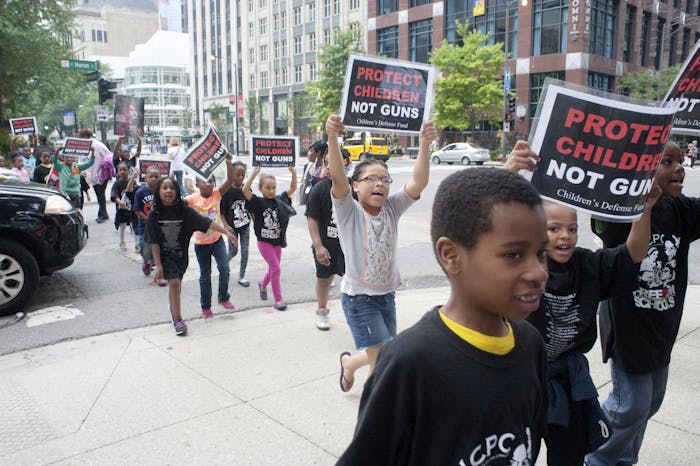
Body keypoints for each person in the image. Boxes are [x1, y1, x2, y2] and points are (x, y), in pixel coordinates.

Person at [336, 167, 549, 465]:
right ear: (451, 255)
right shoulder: (409, 363)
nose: (539, 271)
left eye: (541, 253)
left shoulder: (531, 344)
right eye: (514, 254)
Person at [505, 141, 661, 466]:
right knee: (514, 455)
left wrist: (644, 210)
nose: (565, 235)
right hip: (522, 380)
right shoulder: (519, 264)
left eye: (572, 228)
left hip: (569, 380)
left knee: (570, 456)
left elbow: (633, 253)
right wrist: (511, 172)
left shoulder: (589, 265)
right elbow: (485, 227)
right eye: (554, 228)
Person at [584, 142, 700, 466]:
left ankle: (624, 459)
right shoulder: (622, 212)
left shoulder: (682, 211)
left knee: (650, 404)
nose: (680, 167)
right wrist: (631, 194)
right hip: (627, 328)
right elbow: (601, 221)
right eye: (668, 161)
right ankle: (595, 457)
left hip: (662, 330)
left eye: (680, 161)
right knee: (630, 405)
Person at [325, 114, 437, 392]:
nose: (380, 184)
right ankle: (379, 416)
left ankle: (349, 365)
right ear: (356, 185)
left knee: (384, 349)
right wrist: (332, 137)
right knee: (386, 360)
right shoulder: (348, 211)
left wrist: (424, 144)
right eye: (371, 179)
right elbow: (337, 178)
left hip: (387, 297)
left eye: (385, 180)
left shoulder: (392, 207)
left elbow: (419, 183)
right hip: (359, 300)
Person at [148, 176, 238, 336]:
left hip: (181, 256)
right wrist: (158, 265)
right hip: (165, 257)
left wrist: (226, 233)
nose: (168, 191)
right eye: (164, 188)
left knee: (177, 285)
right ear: (158, 192)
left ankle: (173, 307)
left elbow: (206, 222)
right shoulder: (154, 214)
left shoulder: (184, 210)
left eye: (172, 188)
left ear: (177, 191)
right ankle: (178, 320)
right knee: (174, 283)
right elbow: (154, 242)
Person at [185, 155, 237, 318]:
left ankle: (223, 297)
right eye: (204, 182)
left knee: (224, 268)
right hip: (201, 244)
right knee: (205, 275)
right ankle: (205, 307)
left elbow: (229, 181)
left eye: (211, 181)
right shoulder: (191, 199)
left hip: (217, 240)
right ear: (197, 184)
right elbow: (177, 204)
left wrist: (228, 163)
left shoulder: (216, 194)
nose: (208, 184)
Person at [242, 164, 298, 311]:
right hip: (264, 242)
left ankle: (262, 284)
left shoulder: (280, 199)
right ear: (260, 188)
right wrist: (254, 174)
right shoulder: (257, 202)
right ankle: (278, 299)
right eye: (268, 187)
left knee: (274, 268)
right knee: (276, 268)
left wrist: (293, 173)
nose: (272, 190)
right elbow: (245, 190)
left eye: (274, 187)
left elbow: (292, 188)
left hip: (277, 241)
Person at [304, 152, 348, 330]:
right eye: (327, 163)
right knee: (323, 280)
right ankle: (322, 312)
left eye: (334, 162)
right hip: (326, 246)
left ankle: (356, 314)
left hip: (348, 247)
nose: (330, 166)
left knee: (352, 281)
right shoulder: (319, 189)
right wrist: (318, 246)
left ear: (345, 163)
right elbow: (311, 219)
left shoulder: (354, 187)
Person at [219, 160, 252, 287]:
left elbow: (251, 207)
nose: (240, 177)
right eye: (237, 174)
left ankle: (242, 276)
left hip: (245, 226)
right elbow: (221, 212)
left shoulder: (246, 188)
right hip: (232, 227)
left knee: (245, 251)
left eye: (243, 175)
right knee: (233, 251)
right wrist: (225, 226)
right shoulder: (226, 191)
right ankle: (223, 267)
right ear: (231, 174)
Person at [79, 128, 112, 223]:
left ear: (85, 136)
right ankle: (103, 214)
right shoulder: (83, 146)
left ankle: (102, 215)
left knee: (100, 194)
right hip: (91, 174)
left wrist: (104, 165)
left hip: (100, 174)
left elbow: (109, 156)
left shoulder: (97, 144)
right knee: (99, 194)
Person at [134, 166, 162, 279]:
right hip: (144, 226)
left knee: (159, 246)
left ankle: (157, 264)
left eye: (157, 177)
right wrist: (147, 219)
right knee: (143, 246)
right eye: (151, 176)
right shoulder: (140, 192)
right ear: (145, 177)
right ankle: (147, 261)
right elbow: (137, 210)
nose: (154, 179)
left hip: (159, 225)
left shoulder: (162, 191)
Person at [111, 163, 139, 251]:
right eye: (120, 170)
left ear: (128, 171)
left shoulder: (132, 182)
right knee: (122, 226)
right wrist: (119, 202)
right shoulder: (117, 183)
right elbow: (114, 195)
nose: (122, 172)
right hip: (122, 210)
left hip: (131, 209)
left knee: (134, 226)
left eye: (124, 170)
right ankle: (122, 242)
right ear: (117, 171)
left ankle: (137, 244)